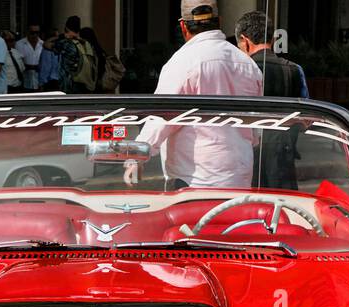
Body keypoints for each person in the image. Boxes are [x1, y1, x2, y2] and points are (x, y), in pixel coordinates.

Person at [126, 2, 263, 190]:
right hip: (239, 179)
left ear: (183, 26)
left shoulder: (182, 61)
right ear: (219, 21)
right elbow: (256, 130)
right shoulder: (248, 64)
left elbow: (162, 117)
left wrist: (137, 156)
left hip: (193, 183)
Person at [235, 9, 304, 189]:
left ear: (245, 41)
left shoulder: (238, 71)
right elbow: (305, 118)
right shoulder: (294, 70)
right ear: (272, 40)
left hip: (245, 157)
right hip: (283, 158)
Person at [58, 16, 99, 93]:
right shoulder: (87, 44)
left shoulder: (67, 44)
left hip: (72, 85)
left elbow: (46, 45)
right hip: (88, 85)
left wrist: (63, 37)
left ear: (66, 29)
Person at [16, 23, 45, 91]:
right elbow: (18, 63)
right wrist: (33, 67)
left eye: (37, 32)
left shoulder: (43, 44)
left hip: (39, 83)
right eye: (32, 32)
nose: (35, 35)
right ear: (27, 32)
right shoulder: (19, 44)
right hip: (24, 82)